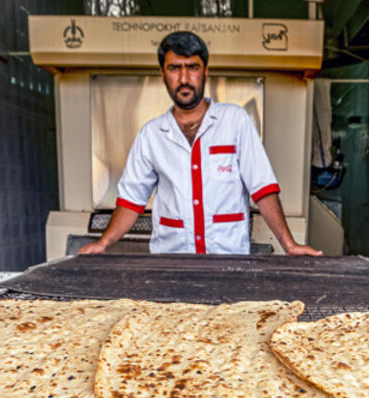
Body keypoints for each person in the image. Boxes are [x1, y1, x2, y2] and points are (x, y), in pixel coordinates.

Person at [79, 31, 321, 256]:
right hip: (171, 263)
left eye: (192, 67)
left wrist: (289, 244)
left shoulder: (234, 121)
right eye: (174, 68)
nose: (184, 79)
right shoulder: (151, 135)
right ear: (163, 74)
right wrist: (104, 242)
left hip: (228, 262)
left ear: (205, 72)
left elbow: (262, 188)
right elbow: (131, 200)